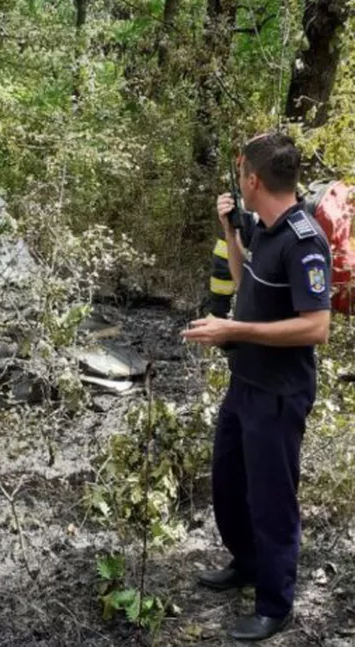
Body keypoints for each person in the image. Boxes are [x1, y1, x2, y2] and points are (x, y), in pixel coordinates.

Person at [181, 132, 331, 641]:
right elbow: (247, 287)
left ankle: (275, 603)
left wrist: (234, 331)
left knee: (272, 500)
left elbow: (317, 327)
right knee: (229, 485)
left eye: (241, 171)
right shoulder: (264, 229)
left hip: (279, 394)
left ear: (253, 180)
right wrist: (231, 232)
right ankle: (246, 563)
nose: (238, 179)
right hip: (245, 382)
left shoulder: (304, 240)